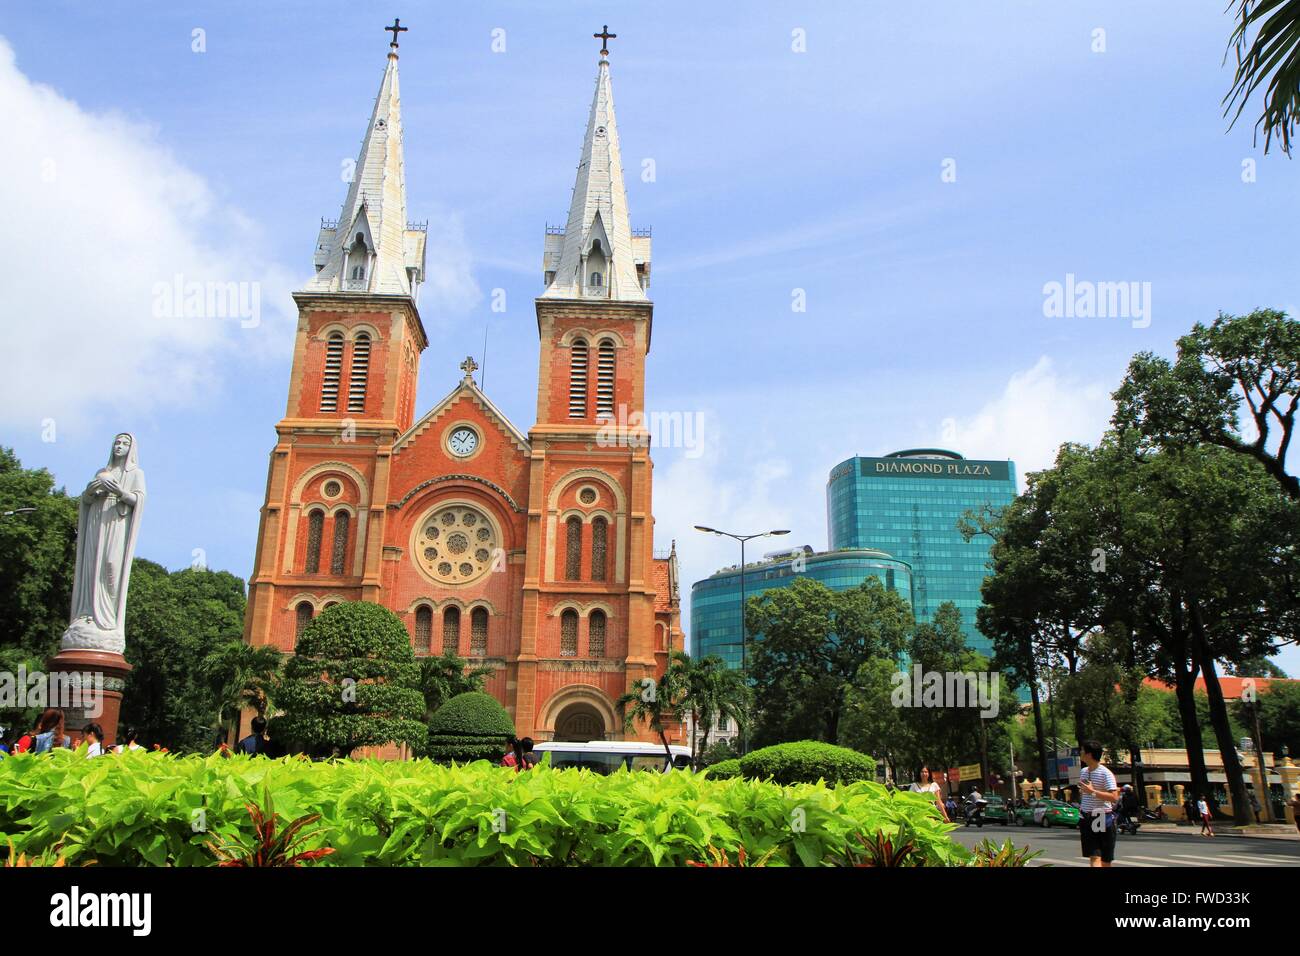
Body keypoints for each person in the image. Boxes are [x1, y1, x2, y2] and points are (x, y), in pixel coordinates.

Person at [1077, 740, 1119, 867]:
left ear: (1089, 754)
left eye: (1082, 751)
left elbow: (1114, 797)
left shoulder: (1105, 773)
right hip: (1086, 816)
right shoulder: (1084, 771)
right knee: (1094, 856)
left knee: (1105, 860)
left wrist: (1092, 792)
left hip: (1101, 816)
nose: (1080, 753)